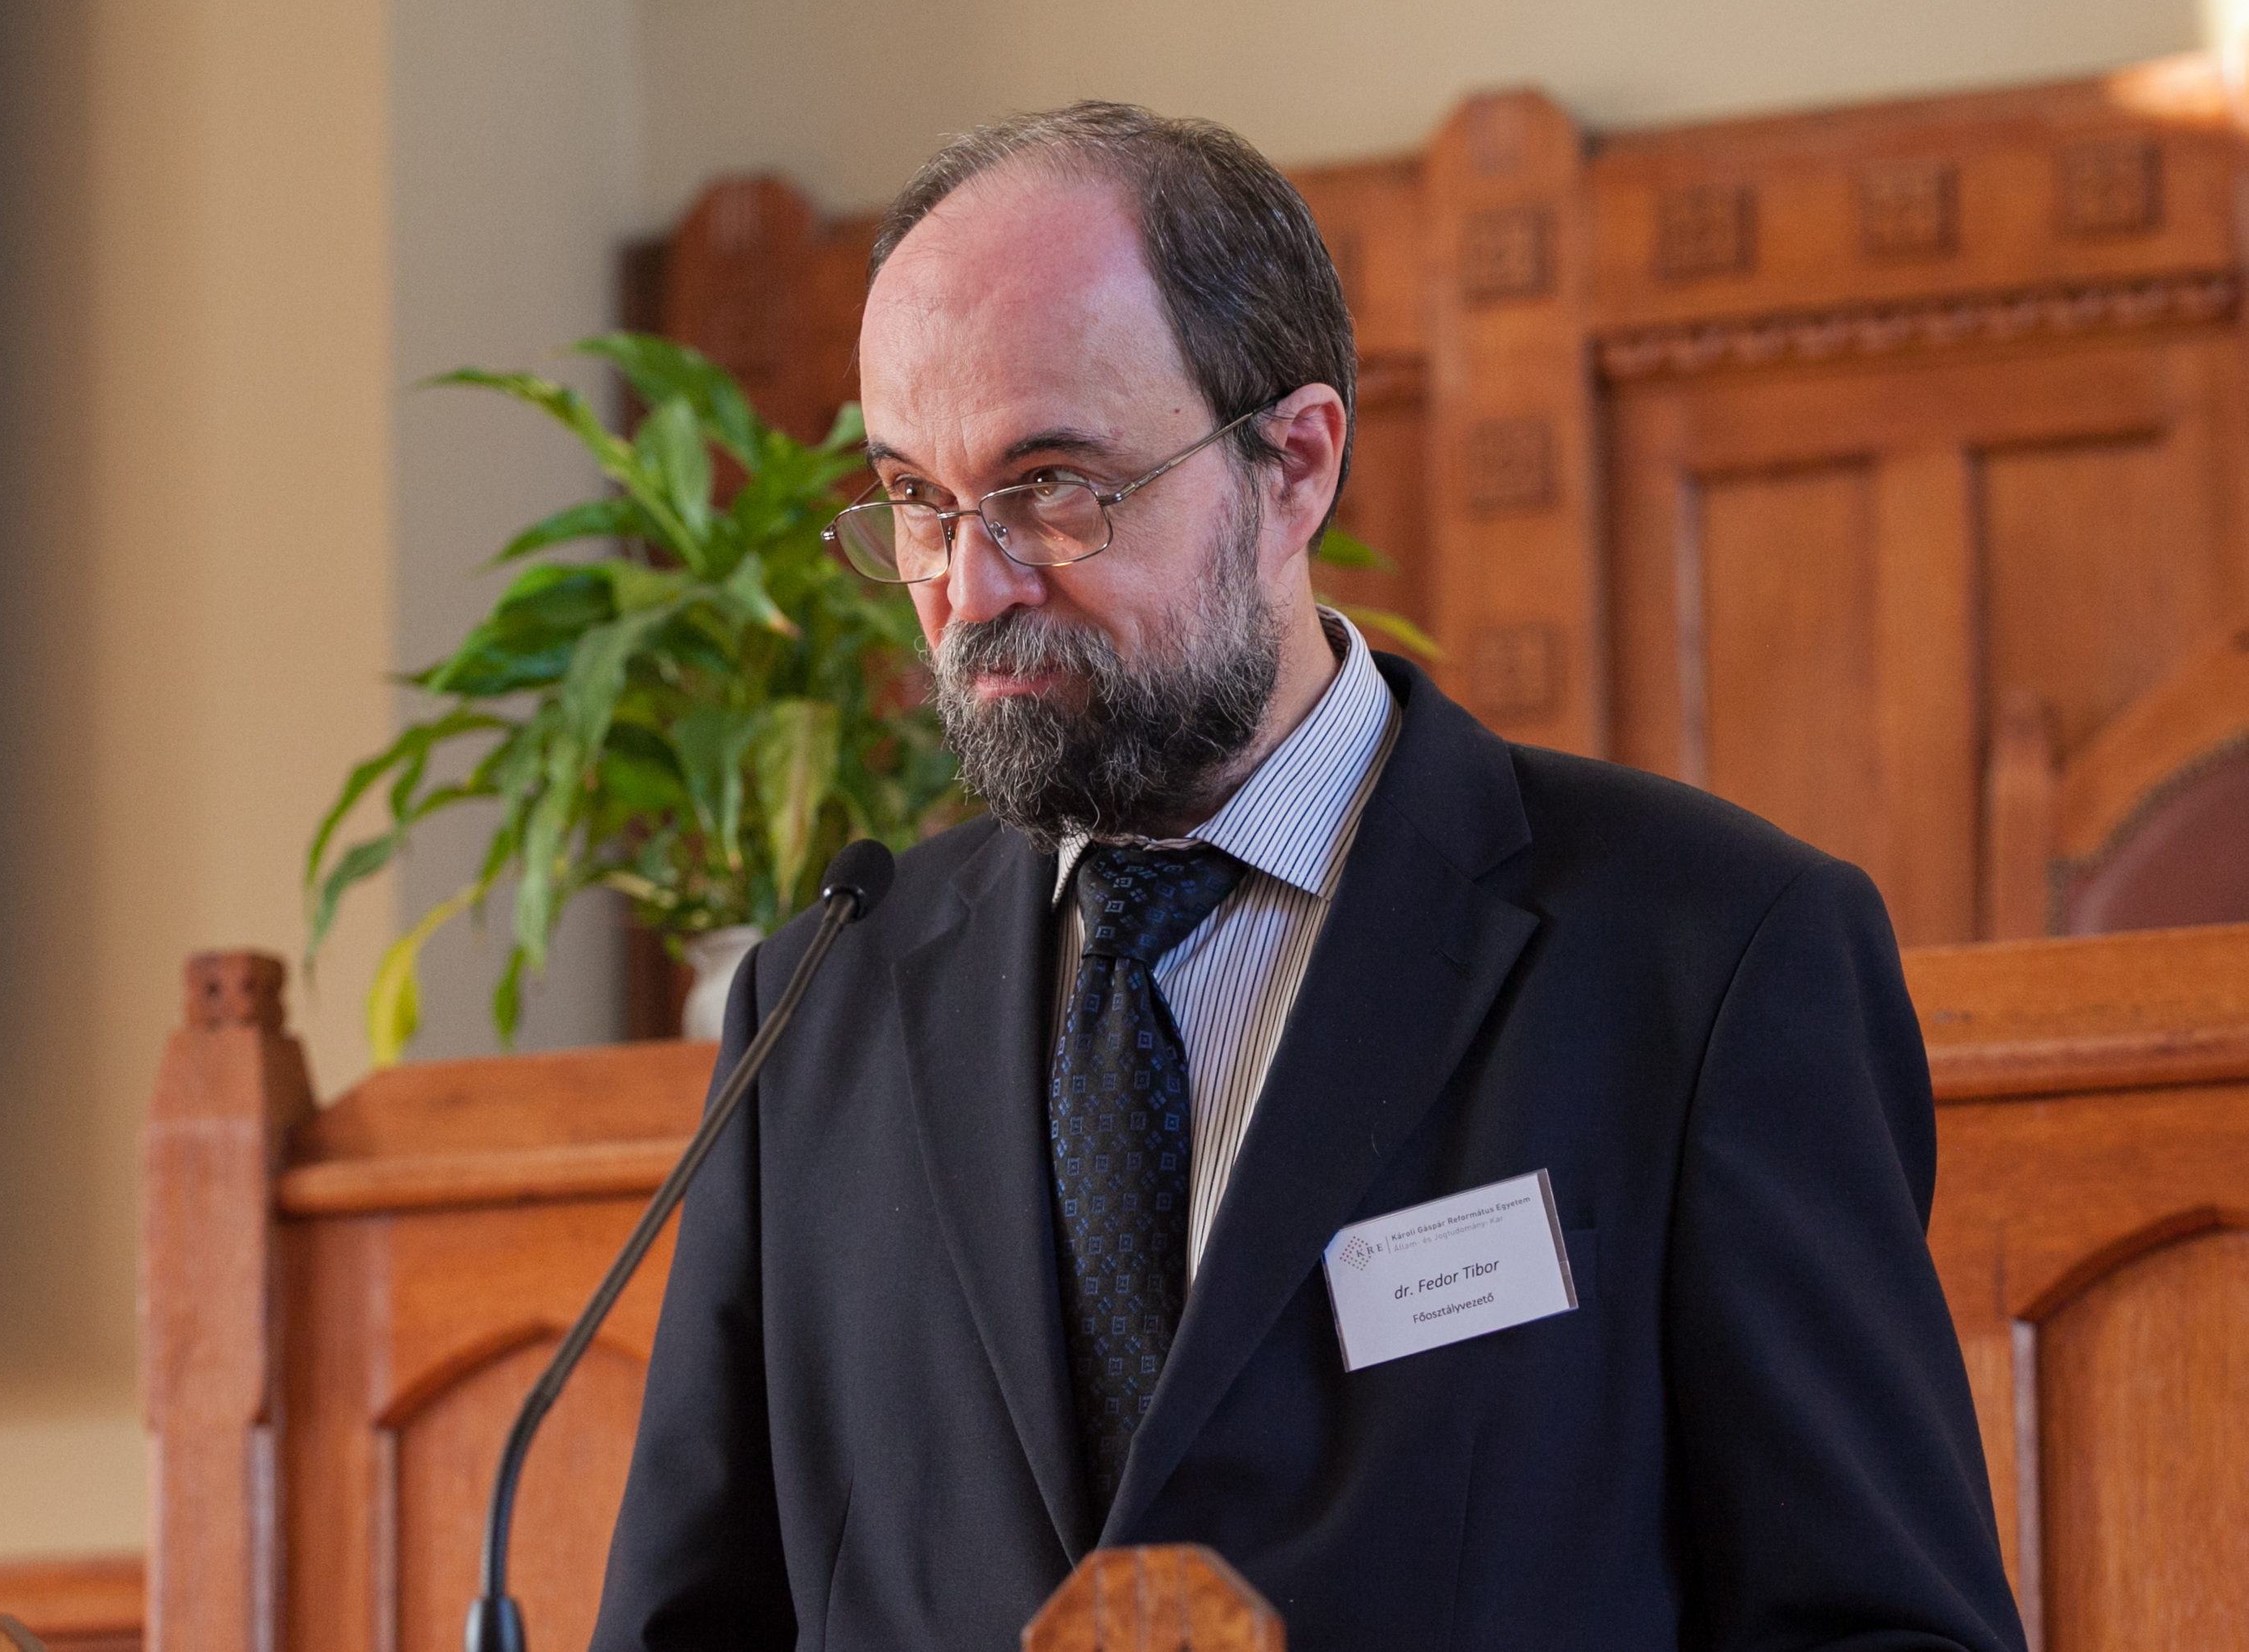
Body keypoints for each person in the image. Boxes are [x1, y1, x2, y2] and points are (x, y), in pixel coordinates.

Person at [590, 103, 2025, 1652]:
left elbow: (1889, 1629)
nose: (968, 589)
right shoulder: (823, 1000)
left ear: (1293, 463)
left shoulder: (1708, 956)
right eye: (915, 502)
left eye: (1051, 486)